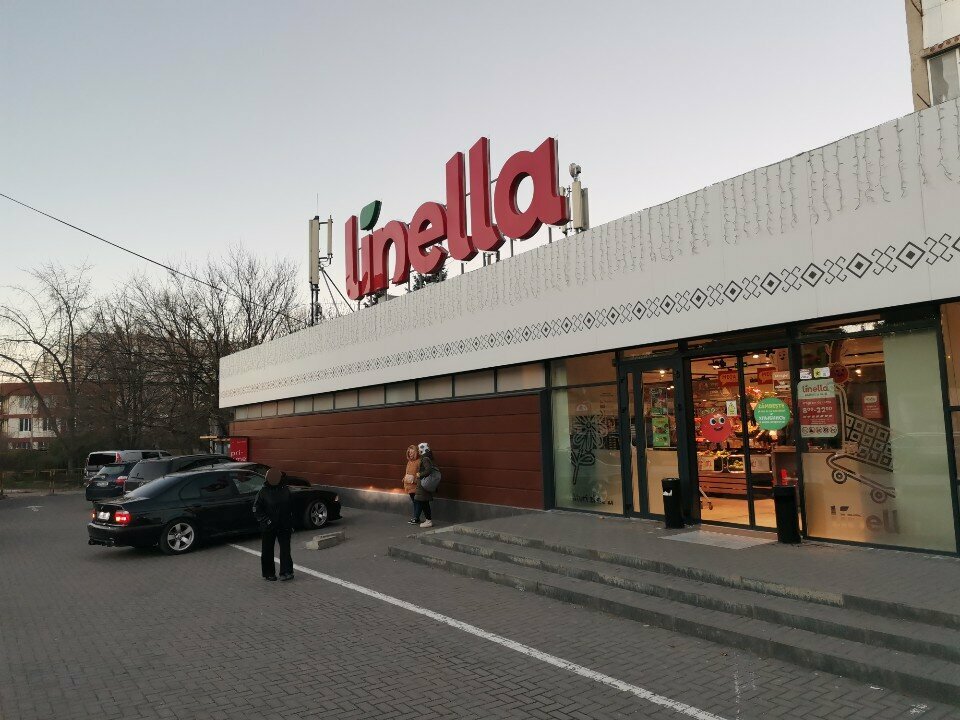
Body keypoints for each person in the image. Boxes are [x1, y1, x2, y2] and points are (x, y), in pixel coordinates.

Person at [252, 468, 295, 581]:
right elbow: (256, 509)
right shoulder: (263, 492)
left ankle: (286, 571)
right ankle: (268, 573)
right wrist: (267, 521)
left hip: (284, 525)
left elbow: (291, 507)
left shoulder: (285, 490)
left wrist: (291, 522)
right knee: (267, 549)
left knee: (285, 549)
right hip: (268, 526)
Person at [414, 442, 436, 528]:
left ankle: (428, 521)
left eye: (419, 449)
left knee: (424, 502)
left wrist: (420, 474)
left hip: (423, 484)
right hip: (424, 484)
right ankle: (428, 520)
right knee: (424, 502)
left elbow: (428, 470)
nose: (418, 451)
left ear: (422, 449)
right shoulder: (428, 457)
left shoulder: (425, 458)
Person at [403, 444, 421, 524]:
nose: (410, 454)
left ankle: (416, 518)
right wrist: (404, 478)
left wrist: (415, 480)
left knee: (417, 502)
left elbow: (420, 473)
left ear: (416, 453)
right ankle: (415, 517)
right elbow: (407, 472)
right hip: (409, 485)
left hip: (415, 485)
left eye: (412, 452)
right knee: (414, 502)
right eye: (409, 452)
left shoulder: (419, 461)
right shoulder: (409, 462)